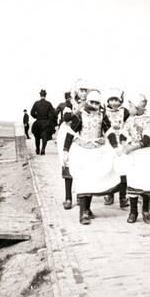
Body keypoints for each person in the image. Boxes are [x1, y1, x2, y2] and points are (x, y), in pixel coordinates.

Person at [62, 90, 119, 225]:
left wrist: (116, 146)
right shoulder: (80, 115)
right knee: (83, 181)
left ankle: (87, 208)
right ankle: (83, 214)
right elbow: (70, 133)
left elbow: (109, 131)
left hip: (97, 152)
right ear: (87, 102)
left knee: (93, 181)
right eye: (91, 102)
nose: (94, 105)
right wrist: (65, 151)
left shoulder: (102, 116)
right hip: (81, 151)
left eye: (96, 103)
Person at [119, 94, 150, 223]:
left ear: (138, 107)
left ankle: (145, 209)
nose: (129, 108)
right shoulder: (130, 120)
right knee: (133, 181)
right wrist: (124, 144)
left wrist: (131, 148)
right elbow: (122, 134)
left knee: (145, 183)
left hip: (146, 154)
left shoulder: (147, 120)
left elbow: (146, 140)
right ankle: (133, 212)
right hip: (134, 156)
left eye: (131, 105)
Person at [56, 79, 90, 210]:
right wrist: (78, 109)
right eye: (81, 90)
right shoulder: (70, 103)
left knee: (82, 166)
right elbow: (66, 118)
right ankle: (68, 197)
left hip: (82, 135)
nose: (83, 93)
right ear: (76, 91)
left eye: (86, 90)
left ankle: (80, 195)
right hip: (68, 134)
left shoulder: (91, 103)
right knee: (68, 164)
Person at [103, 88, 130, 208]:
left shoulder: (125, 112)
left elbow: (129, 125)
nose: (114, 103)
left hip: (121, 144)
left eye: (116, 100)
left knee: (123, 172)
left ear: (120, 101)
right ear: (108, 101)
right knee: (109, 170)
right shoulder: (104, 112)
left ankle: (123, 197)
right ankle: (110, 195)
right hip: (108, 144)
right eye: (111, 100)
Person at [30, 89, 55, 155]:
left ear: (40, 95)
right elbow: (53, 113)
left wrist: (36, 116)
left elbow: (32, 113)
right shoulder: (48, 103)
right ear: (45, 95)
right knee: (45, 136)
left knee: (37, 136)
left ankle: (37, 149)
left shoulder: (36, 103)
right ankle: (43, 149)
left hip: (38, 122)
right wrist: (49, 119)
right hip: (46, 122)